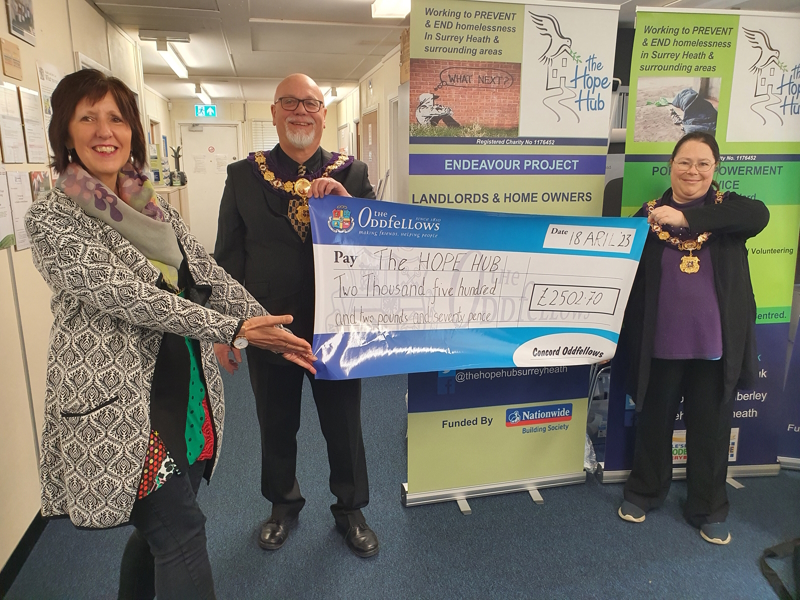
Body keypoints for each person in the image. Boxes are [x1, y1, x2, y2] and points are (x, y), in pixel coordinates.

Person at [25, 69, 316, 599]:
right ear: (66, 133)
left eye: (115, 117)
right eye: (87, 118)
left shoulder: (150, 208)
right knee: (179, 530)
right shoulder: (52, 217)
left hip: (179, 389)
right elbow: (131, 299)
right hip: (121, 403)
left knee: (162, 526)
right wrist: (234, 328)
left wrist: (264, 323)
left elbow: (205, 272)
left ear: (132, 131)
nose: (103, 130)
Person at [214, 73, 379, 558]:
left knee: (344, 424)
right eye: (289, 102)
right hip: (269, 327)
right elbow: (228, 256)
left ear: (324, 114)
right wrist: (227, 328)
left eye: (311, 103)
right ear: (274, 111)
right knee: (276, 421)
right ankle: (282, 506)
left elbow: (380, 248)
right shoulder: (243, 175)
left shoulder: (354, 174)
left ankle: (351, 510)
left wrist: (353, 208)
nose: (300, 111)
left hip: (337, 328)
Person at [617, 132, 769, 545]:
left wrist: (686, 219)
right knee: (653, 421)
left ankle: (708, 507)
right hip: (660, 344)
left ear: (715, 169)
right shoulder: (647, 216)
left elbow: (761, 216)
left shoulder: (732, 212)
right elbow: (617, 269)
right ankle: (644, 491)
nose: (693, 171)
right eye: (685, 162)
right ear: (671, 165)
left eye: (704, 163)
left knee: (712, 429)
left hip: (714, 348)